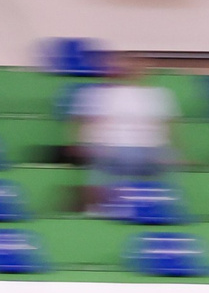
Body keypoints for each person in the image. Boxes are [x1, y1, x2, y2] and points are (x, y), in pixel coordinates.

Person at [72, 55, 176, 215]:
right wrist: (84, 144)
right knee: (118, 156)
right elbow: (84, 124)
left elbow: (167, 127)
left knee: (168, 158)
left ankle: (163, 208)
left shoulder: (159, 94)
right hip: (109, 147)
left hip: (149, 149)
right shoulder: (97, 94)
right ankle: (96, 207)